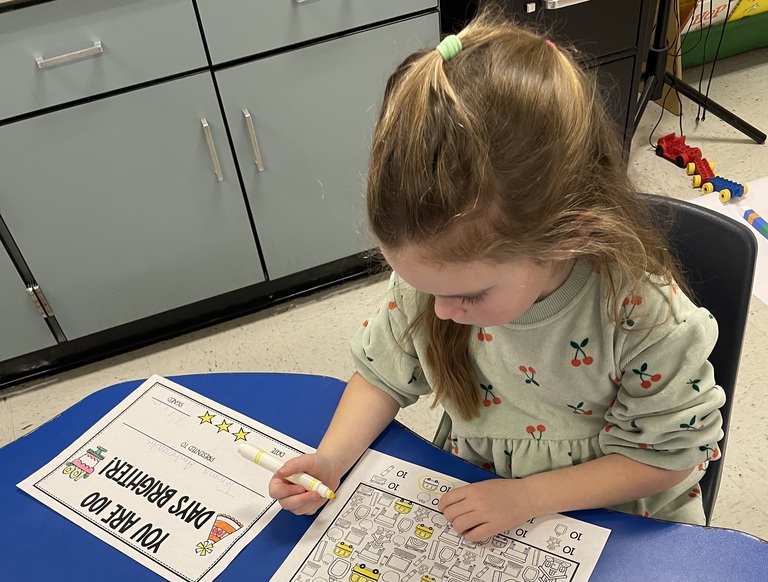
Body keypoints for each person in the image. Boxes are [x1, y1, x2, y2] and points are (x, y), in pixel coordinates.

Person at [270, 7, 724, 542]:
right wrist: (330, 459)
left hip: (618, 518)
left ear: (569, 235)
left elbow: (669, 459)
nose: (440, 311)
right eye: (425, 288)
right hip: (484, 497)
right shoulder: (441, 283)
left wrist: (527, 498)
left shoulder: (644, 317)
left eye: (472, 294)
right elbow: (381, 374)